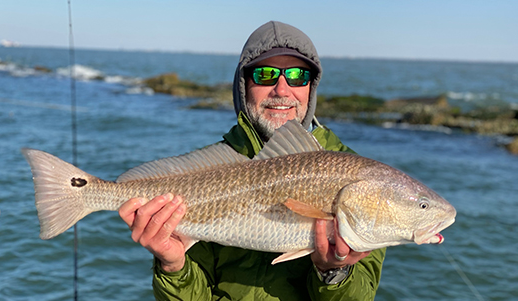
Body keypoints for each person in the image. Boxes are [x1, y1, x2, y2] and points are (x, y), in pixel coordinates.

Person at [119, 21, 386, 300]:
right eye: (266, 74)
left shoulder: (362, 178)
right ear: (243, 85)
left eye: (297, 75)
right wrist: (173, 266)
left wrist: (333, 273)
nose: (282, 90)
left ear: (311, 87)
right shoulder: (210, 171)